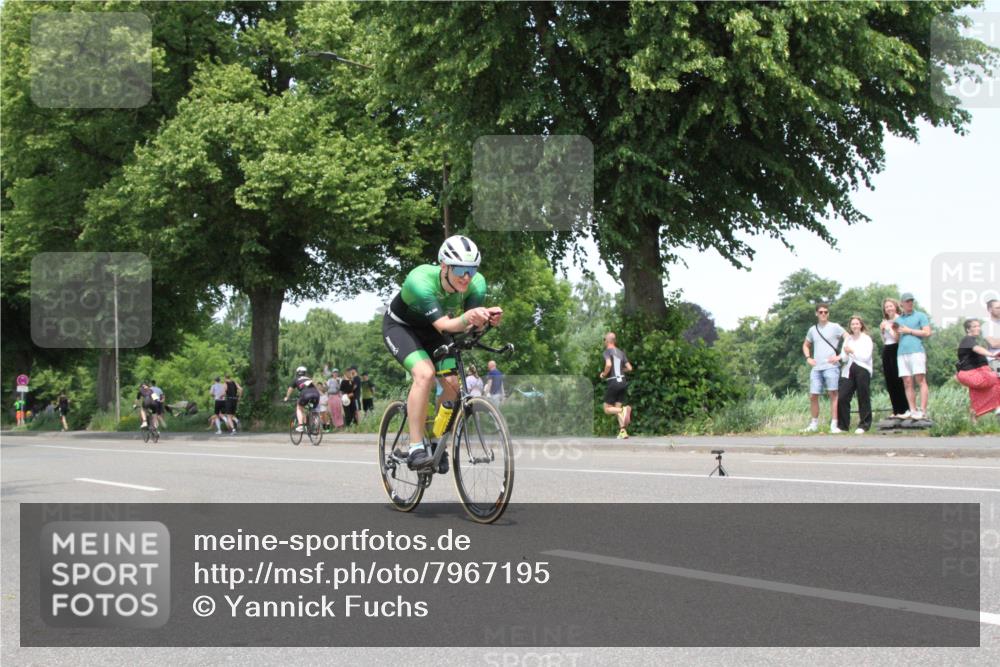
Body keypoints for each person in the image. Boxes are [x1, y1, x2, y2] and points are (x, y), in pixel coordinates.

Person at [382, 234, 503, 468]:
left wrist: (485, 320)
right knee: (425, 374)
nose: (467, 277)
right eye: (460, 270)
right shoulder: (420, 281)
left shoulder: (476, 284)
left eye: (472, 270)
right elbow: (446, 326)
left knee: (453, 382)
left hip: (434, 331)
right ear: (445, 266)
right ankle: (416, 446)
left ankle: (437, 442)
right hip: (401, 328)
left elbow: (467, 327)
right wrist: (469, 318)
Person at [802, 303, 845, 433]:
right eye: (820, 312)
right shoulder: (812, 329)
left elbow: (848, 338)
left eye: (826, 312)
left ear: (828, 313)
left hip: (831, 366)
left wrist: (840, 356)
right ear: (816, 314)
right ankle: (813, 424)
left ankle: (834, 425)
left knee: (833, 394)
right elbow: (805, 345)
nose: (823, 314)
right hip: (817, 367)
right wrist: (808, 357)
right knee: (813, 395)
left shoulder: (835, 327)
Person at [896, 292, 932, 420]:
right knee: (907, 382)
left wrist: (909, 331)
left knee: (920, 380)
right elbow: (894, 337)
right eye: (907, 301)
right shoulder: (898, 319)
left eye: (911, 300)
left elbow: (927, 332)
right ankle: (912, 410)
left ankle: (922, 410)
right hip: (901, 353)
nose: (910, 303)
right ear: (902, 304)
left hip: (916, 351)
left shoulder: (920, 315)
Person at [955, 318, 1000, 419]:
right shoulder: (968, 339)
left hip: (972, 374)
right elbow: (978, 349)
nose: (978, 328)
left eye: (979, 326)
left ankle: (973, 422)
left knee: (976, 396)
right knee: (997, 379)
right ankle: (998, 407)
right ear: (968, 329)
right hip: (971, 374)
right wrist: (992, 354)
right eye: (974, 326)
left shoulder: (972, 341)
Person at [836, 316, 874, 434]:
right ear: (850, 326)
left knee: (863, 396)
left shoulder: (866, 339)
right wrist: (845, 354)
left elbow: (866, 357)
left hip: (863, 369)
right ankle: (843, 426)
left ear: (861, 325)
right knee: (842, 397)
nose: (855, 326)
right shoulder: (848, 339)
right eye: (853, 324)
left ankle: (864, 425)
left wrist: (852, 351)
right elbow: (844, 357)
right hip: (848, 370)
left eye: (857, 324)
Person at [878, 298, 909, 418]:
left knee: (899, 379)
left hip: (897, 349)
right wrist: (882, 331)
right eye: (886, 307)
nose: (889, 308)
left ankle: (905, 409)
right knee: (890, 380)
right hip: (887, 349)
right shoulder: (885, 321)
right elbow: (884, 340)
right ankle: (896, 409)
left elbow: (897, 338)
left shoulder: (899, 320)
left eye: (890, 306)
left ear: (895, 306)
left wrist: (888, 328)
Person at [599, 332, 633, 439]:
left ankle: (623, 410)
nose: (604, 342)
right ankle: (623, 432)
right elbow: (630, 368)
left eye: (604, 340)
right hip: (623, 382)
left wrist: (604, 374)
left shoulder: (607, 352)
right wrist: (619, 370)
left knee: (607, 408)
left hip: (613, 382)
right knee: (616, 407)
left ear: (608, 341)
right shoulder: (621, 352)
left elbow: (608, 364)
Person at [283, 366, 320, 432]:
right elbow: (316, 387)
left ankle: (300, 426)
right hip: (316, 394)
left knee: (299, 408)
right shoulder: (308, 378)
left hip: (306, 394)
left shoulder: (296, 379)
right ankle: (314, 424)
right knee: (312, 409)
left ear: (297, 373)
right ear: (305, 373)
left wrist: (287, 397)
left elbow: (290, 389)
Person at [984, 299, 1000, 376]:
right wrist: (996, 341)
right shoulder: (986, 326)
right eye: (997, 308)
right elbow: (993, 344)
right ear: (990, 309)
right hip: (995, 361)